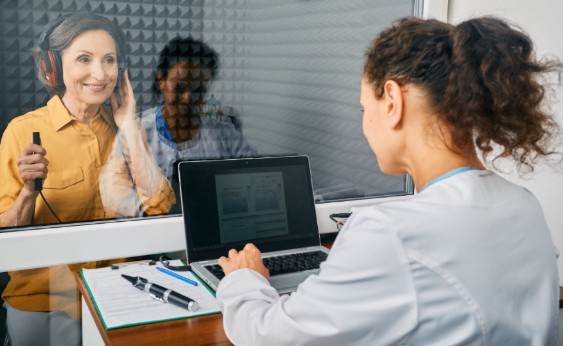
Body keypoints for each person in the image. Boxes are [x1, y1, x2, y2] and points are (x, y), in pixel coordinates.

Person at [215, 16, 561, 345]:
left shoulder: (390, 232)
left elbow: (270, 336)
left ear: (393, 101)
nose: (364, 125)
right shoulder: (521, 203)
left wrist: (245, 279)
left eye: (365, 109)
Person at [0, 12, 174, 345]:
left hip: (121, 289)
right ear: (53, 67)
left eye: (109, 60)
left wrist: (129, 127)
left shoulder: (126, 130)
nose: (100, 73)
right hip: (45, 299)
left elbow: (161, 210)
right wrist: (27, 193)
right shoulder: (21, 132)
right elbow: (7, 238)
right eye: (84, 59)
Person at [139, 36, 257, 212]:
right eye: (179, 87)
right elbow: (116, 201)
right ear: (161, 80)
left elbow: (257, 175)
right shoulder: (136, 133)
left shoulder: (223, 133)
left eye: (199, 90)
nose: (188, 98)